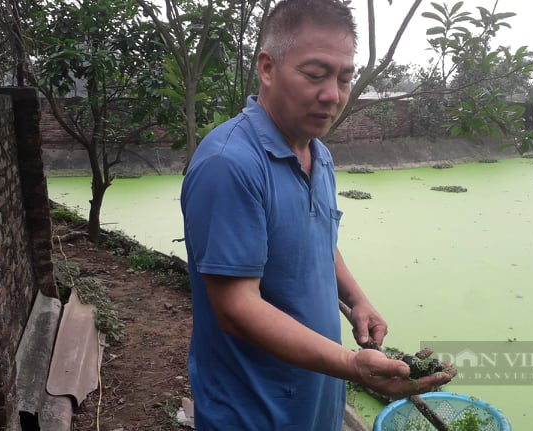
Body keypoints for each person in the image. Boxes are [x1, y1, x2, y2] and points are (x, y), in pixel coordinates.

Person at [180, 1, 455, 429]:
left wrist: (357, 300)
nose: (333, 95)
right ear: (267, 68)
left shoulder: (318, 154)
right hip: (255, 411)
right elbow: (235, 308)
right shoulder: (229, 163)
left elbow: (317, 239)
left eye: (345, 78)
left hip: (317, 395)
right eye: (315, 75)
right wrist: (352, 364)